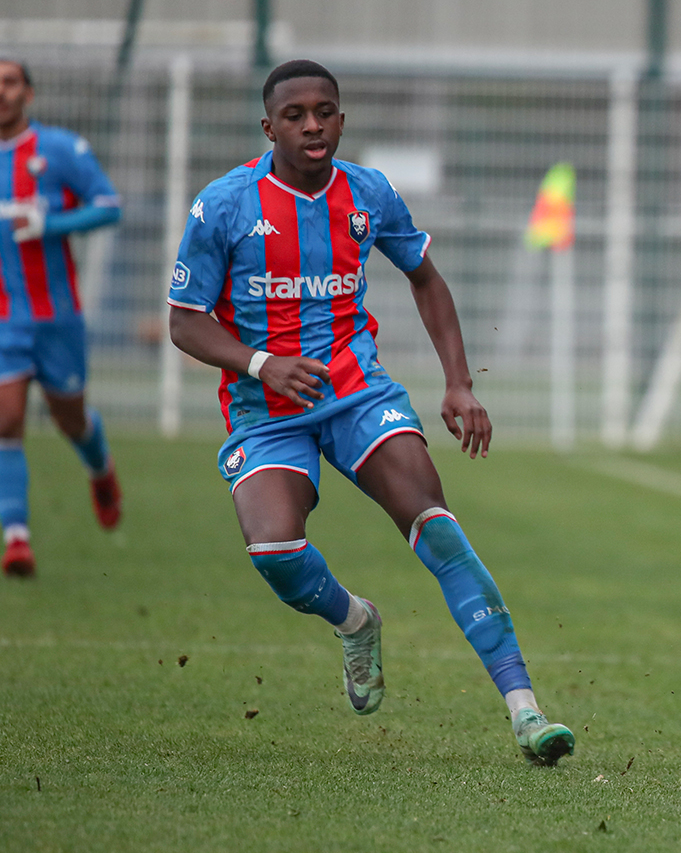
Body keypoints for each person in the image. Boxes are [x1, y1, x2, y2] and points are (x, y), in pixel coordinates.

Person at [166, 60, 574, 764]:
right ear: (270, 127)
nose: (313, 124)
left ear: (342, 119)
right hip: (264, 409)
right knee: (275, 549)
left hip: (358, 393)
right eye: (295, 115)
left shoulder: (369, 193)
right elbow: (184, 321)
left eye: (325, 110)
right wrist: (264, 363)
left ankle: (526, 710)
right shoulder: (224, 205)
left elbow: (426, 278)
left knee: (437, 527)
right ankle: (355, 620)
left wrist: (458, 383)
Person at [0, 58, 123, 578]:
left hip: (57, 317)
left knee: (71, 419)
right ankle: (17, 537)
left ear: (29, 92)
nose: (1, 92)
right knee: (6, 420)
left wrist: (52, 222)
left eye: (9, 82)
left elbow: (108, 206)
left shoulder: (59, 151)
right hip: (5, 319)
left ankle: (101, 470)